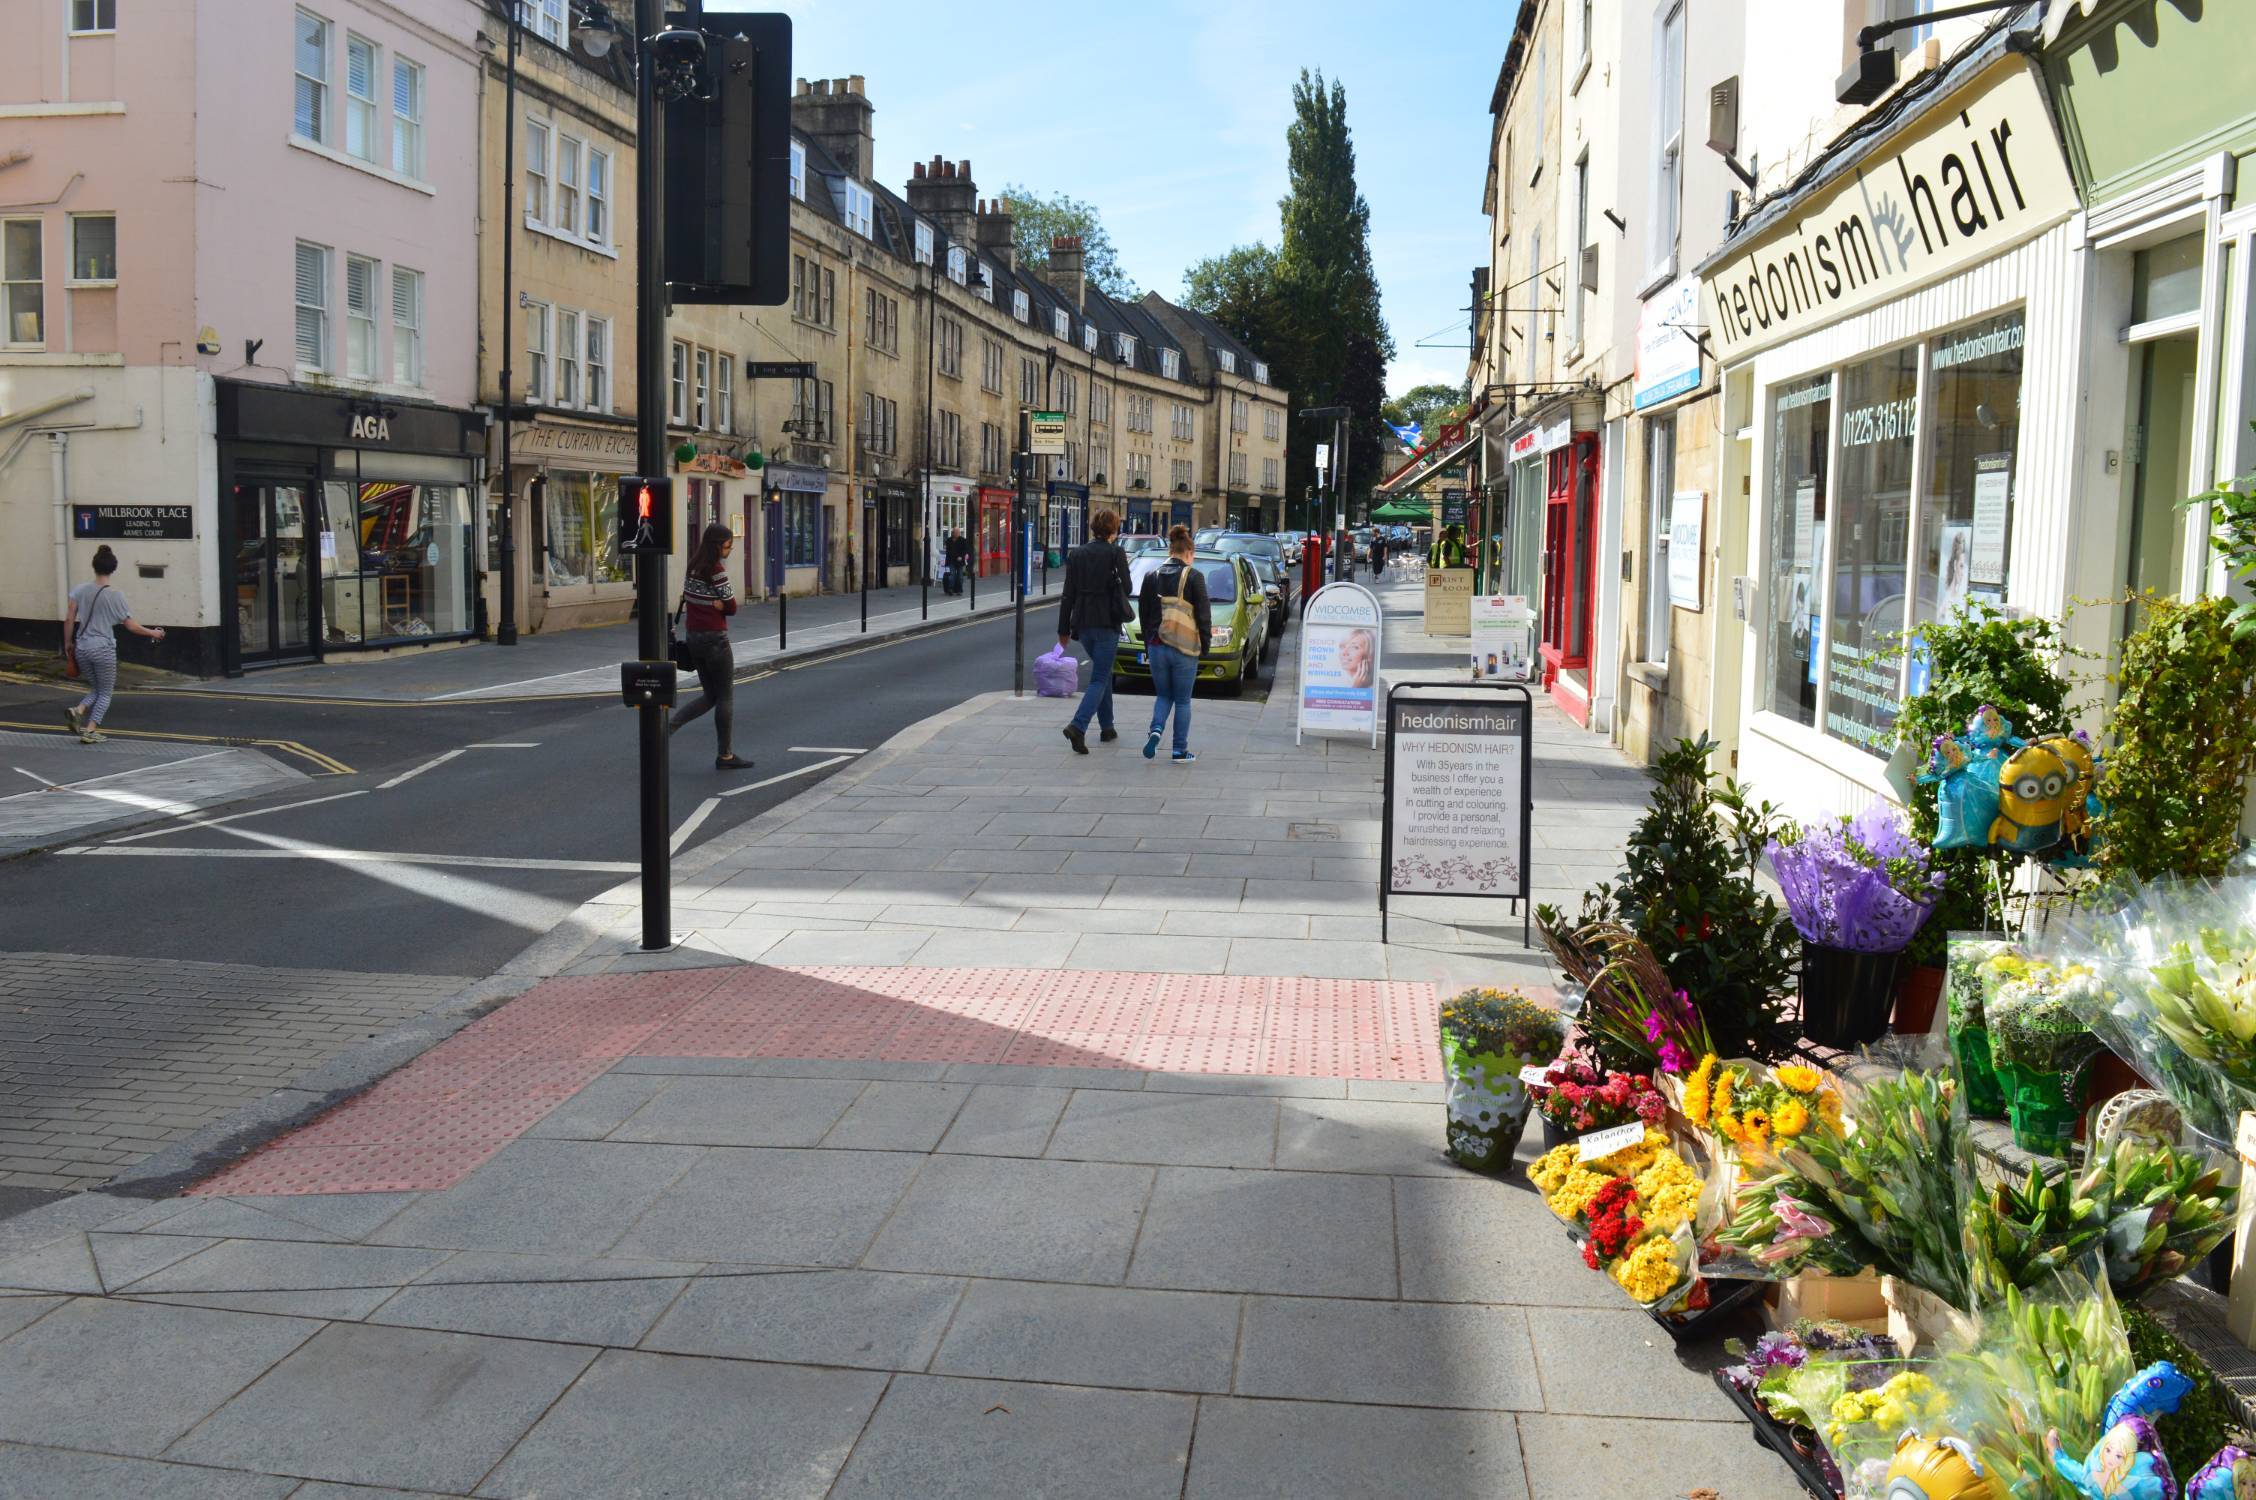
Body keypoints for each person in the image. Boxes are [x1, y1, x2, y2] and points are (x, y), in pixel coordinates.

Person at [668, 523, 753, 771]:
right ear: (717, 545)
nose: (730, 550)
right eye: (728, 545)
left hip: (694, 638)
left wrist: (717, 604)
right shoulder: (716, 571)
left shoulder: (692, 567)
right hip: (715, 639)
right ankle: (725, 756)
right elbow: (732, 606)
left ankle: (668, 728)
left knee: (710, 694)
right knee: (725, 696)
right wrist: (719, 605)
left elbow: (700, 600)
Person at [61, 545, 162, 744]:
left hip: (82, 647)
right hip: (103, 649)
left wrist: (67, 642)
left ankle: (78, 710)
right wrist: (154, 632)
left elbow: (69, 618)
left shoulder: (80, 590)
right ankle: (90, 731)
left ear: (94, 566)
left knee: (96, 689)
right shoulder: (116, 596)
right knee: (106, 692)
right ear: (113, 569)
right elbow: (131, 626)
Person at [1056, 508, 1134, 754]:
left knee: (1104, 670)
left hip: (1082, 623)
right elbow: (1129, 587)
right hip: (1106, 622)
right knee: (1100, 677)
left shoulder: (1077, 554)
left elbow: (1068, 594)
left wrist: (1063, 629)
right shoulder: (1116, 553)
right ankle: (1078, 727)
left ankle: (1107, 726)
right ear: (1113, 529)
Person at [1138, 525, 1210, 763]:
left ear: (1170, 550)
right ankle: (1179, 750)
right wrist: (1206, 646)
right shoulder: (1195, 577)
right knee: (1183, 700)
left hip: (1157, 645)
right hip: (1184, 648)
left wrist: (1149, 645)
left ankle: (1156, 730)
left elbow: (1145, 614)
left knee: (1163, 695)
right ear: (1188, 552)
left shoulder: (1151, 577)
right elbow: (1203, 615)